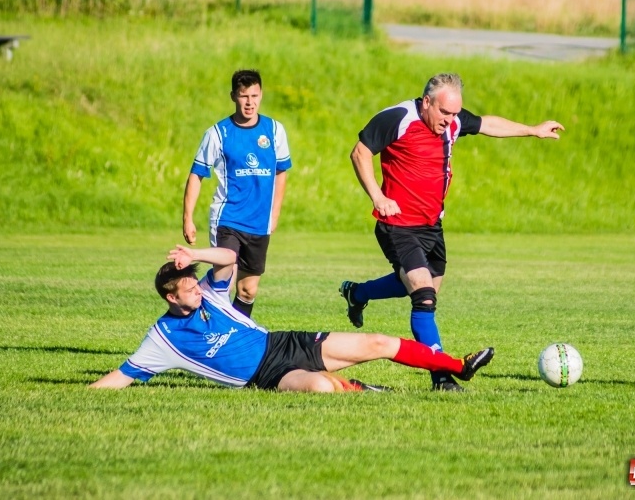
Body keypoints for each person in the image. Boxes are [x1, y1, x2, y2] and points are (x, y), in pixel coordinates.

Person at [339, 73, 563, 391]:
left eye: (456, 113)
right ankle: (442, 377)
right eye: (445, 112)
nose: (451, 119)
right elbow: (359, 153)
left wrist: (532, 130)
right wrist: (378, 196)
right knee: (424, 297)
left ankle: (357, 293)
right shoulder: (398, 118)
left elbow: (486, 124)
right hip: (398, 225)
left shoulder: (453, 122)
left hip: (432, 227)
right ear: (427, 102)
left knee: (416, 288)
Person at [89, 245, 495, 392]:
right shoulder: (164, 338)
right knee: (319, 389)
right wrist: (84, 392)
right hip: (265, 377)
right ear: (169, 296)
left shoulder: (211, 294)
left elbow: (230, 258)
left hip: (285, 343)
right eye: (188, 287)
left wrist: (194, 256)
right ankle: (360, 389)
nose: (197, 288)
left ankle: (458, 366)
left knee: (378, 343)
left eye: (195, 283)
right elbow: (122, 376)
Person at [182, 69, 291, 318]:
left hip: (259, 222)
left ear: (261, 95)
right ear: (233, 96)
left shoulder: (274, 131)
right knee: (224, 279)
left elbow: (281, 172)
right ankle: (189, 316)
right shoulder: (218, 134)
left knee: (248, 290)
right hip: (227, 219)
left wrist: (275, 214)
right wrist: (187, 217)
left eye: (254, 95)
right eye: (244, 96)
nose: (250, 102)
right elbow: (196, 175)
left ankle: (234, 339)